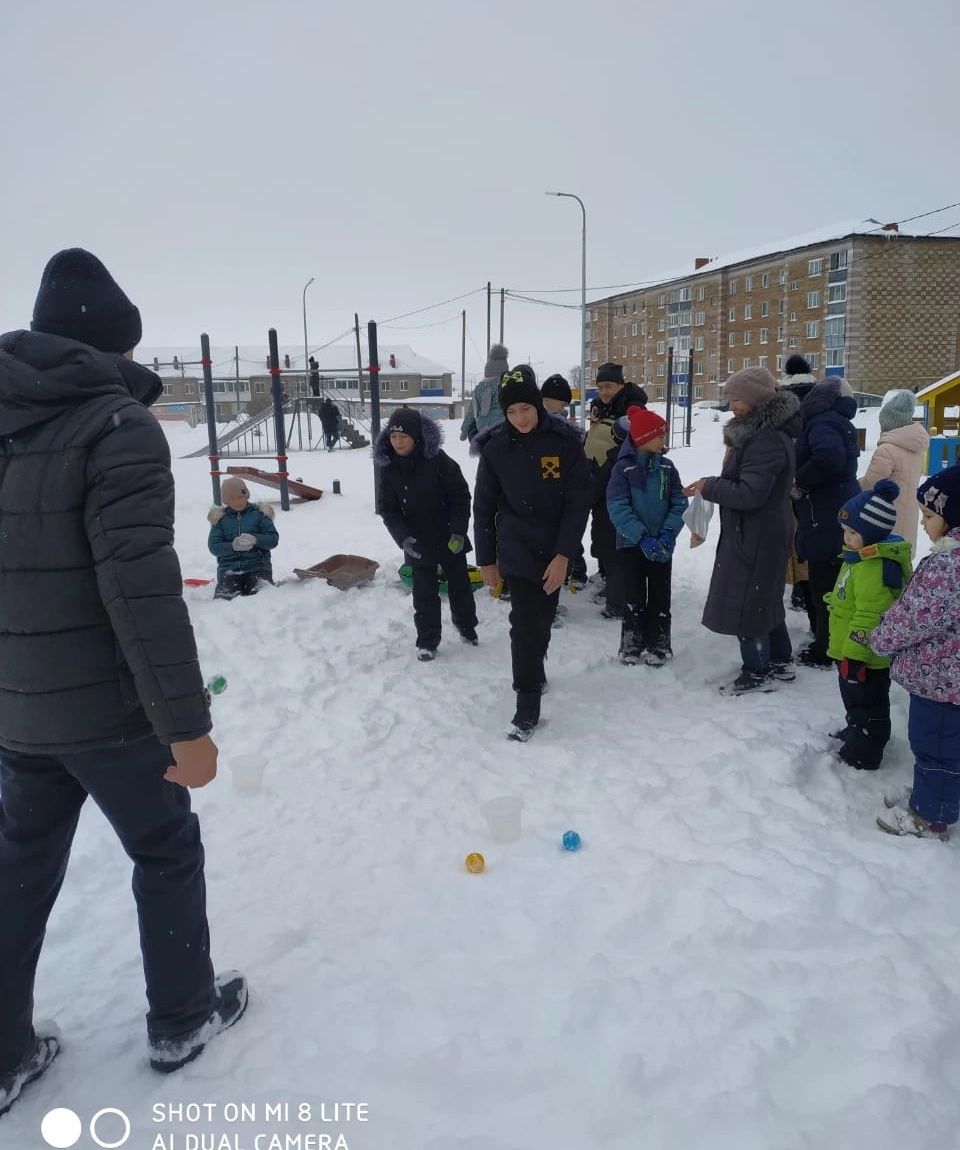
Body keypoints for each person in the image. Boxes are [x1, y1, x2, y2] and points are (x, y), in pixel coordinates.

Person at [0, 249, 246, 1118]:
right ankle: (183, 1016)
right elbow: (139, 587)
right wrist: (186, 726)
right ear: (114, 344)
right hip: (108, 710)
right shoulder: (116, 427)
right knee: (165, 847)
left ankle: (3, 1054)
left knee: (17, 873)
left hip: (19, 709)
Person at [473, 366, 592, 739]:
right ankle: (527, 701)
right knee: (523, 625)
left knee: (541, 619)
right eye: (511, 411)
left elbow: (578, 503)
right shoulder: (495, 448)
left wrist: (563, 556)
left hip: (554, 546)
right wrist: (486, 559)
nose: (519, 418)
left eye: (525, 408)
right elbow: (484, 506)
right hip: (517, 545)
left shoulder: (563, 443)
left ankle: (534, 669)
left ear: (537, 405)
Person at [684, 367, 802, 695]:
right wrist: (712, 485)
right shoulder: (761, 432)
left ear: (755, 399)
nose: (731, 404)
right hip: (759, 531)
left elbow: (750, 494)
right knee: (764, 598)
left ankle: (757, 670)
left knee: (749, 603)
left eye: (736, 399)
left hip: (756, 534)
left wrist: (710, 486)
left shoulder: (765, 439)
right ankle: (780, 661)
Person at [873, 464, 960, 839]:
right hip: (945, 677)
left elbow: (915, 617)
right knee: (942, 746)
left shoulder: (949, 566)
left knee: (935, 748)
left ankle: (931, 815)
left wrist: (880, 637)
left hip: (942, 681)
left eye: (928, 515)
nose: (922, 523)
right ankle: (935, 796)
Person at [376, 408, 477, 661]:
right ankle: (428, 640)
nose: (397, 442)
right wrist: (403, 538)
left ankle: (466, 626)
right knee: (424, 594)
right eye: (393, 437)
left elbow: (460, 496)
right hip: (417, 541)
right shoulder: (389, 470)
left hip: (449, 537)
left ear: (417, 437)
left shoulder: (439, 461)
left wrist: (458, 531)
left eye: (403, 437)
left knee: (460, 587)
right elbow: (388, 510)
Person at [824, 480, 912, 769]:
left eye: (852, 533)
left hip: (865, 656)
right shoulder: (860, 558)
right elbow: (854, 598)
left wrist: (856, 655)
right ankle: (856, 730)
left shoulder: (875, 567)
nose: (845, 537)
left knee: (868, 702)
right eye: (844, 531)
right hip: (851, 650)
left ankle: (867, 748)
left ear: (872, 533)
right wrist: (836, 600)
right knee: (853, 698)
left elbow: (871, 615)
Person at [606, 408, 687, 666]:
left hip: (662, 545)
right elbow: (617, 508)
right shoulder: (623, 469)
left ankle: (659, 645)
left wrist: (668, 532)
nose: (664, 440)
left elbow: (679, 502)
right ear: (643, 437)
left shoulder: (667, 467)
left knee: (660, 595)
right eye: (660, 436)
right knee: (634, 596)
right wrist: (641, 537)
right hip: (632, 545)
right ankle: (631, 644)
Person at [793, 378, 860, 667]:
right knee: (836, 585)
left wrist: (800, 482)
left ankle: (826, 651)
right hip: (838, 509)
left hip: (825, 514)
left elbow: (829, 457)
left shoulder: (823, 422)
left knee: (825, 588)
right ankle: (834, 644)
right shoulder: (838, 420)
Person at [583, 362, 649, 620]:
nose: (604, 391)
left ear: (621, 384)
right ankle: (608, 579)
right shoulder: (600, 406)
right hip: (598, 479)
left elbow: (636, 447)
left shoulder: (633, 408)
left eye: (608, 386)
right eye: (600, 387)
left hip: (619, 483)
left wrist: (609, 464)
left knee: (615, 538)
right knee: (600, 532)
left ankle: (620, 598)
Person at [860, 389, 928, 553]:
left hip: (887, 516)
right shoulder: (915, 447)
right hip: (908, 513)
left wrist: (854, 484)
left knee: (887, 562)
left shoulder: (887, 450)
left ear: (888, 424)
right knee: (902, 558)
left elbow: (870, 484)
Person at [780, 355, 818, 624]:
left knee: (794, 531)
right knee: (808, 531)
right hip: (813, 479)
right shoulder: (819, 394)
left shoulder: (784, 397)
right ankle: (805, 590)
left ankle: (799, 590)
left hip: (792, 472)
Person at [541, 373, 588, 589]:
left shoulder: (567, 431)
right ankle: (570, 573)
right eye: (561, 402)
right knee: (563, 537)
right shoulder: (545, 426)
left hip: (559, 494)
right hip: (551, 495)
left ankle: (573, 572)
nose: (561, 407)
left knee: (566, 536)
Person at [207, 476, 279, 599]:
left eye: (241, 497)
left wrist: (256, 539)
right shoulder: (220, 519)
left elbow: (273, 540)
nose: (238, 501)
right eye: (233, 499)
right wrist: (233, 546)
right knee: (225, 599)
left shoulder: (259, 514)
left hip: (258, 566)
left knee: (262, 597)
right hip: (229, 570)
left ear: (246, 495)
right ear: (226, 501)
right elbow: (214, 546)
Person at [460, 343, 509, 443]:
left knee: (487, 455)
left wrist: (464, 431)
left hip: (483, 431)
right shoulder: (509, 387)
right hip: (506, 430)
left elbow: (471, 412)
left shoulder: (480, 388)